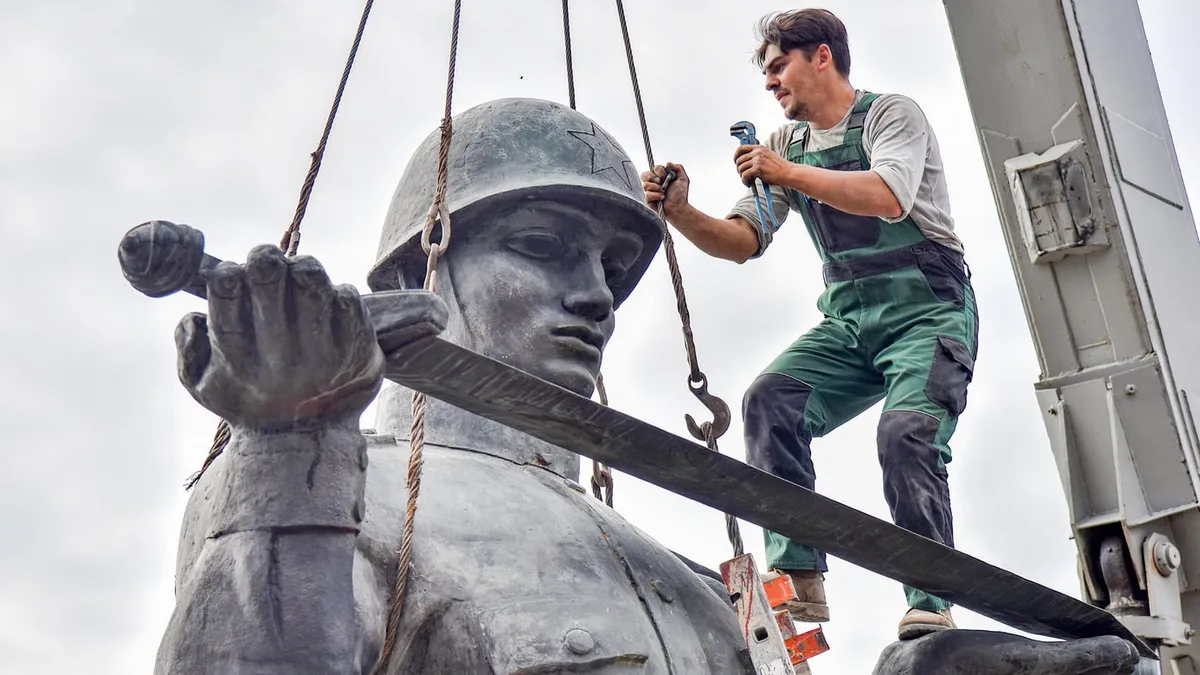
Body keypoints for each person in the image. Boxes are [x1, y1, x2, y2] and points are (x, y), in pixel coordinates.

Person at [151, 97, 760, 674]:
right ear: (417, 270)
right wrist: (287, 455)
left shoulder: (692, 588)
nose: (599, 294)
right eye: (541, 245)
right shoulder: (338, 490)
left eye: (614, 266)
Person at [642, 8, 978, 640]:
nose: (770, 83)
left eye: (778, 66)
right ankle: (798, 578)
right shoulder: (783, 148)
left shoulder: (889, 116)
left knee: (907, 433)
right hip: (851, 323)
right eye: (766, 74)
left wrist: (785, 174)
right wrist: (682, 211)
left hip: (929, 314)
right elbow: (741, 241)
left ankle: (930, 598)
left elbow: (889, 195)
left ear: (821, 56)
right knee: (770, 402)